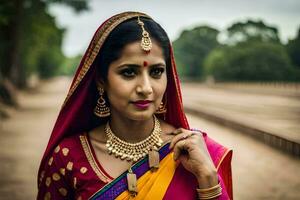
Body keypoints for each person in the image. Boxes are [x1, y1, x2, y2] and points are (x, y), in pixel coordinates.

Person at [37, 11, 233, 200]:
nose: (146, 88)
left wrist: (207, 178)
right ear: (101, 80)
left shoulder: (193, 153)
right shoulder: (68, 156)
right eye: (129, 72)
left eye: (156, 72)